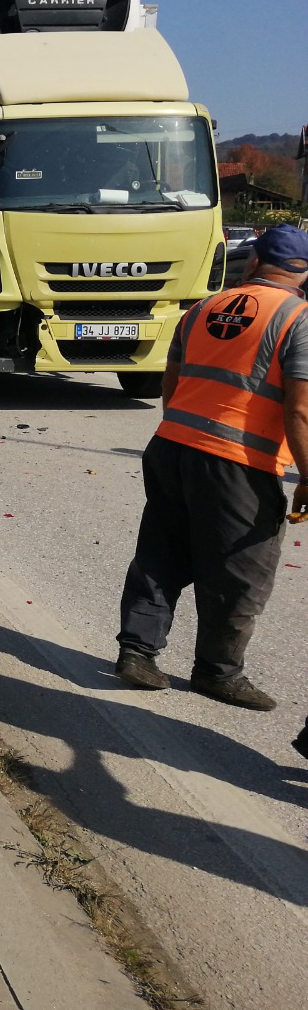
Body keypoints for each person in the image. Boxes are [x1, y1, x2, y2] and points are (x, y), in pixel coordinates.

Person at [114, 224, 308, 710]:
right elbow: (300, 408)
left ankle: (137, 654)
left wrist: (182, 427)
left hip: (173, 443)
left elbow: (172, 376)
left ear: (255, 262)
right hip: (239, 460)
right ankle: (218, 672)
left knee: (162, 550)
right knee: (243, 569)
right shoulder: (298, 318)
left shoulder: (204, 307)